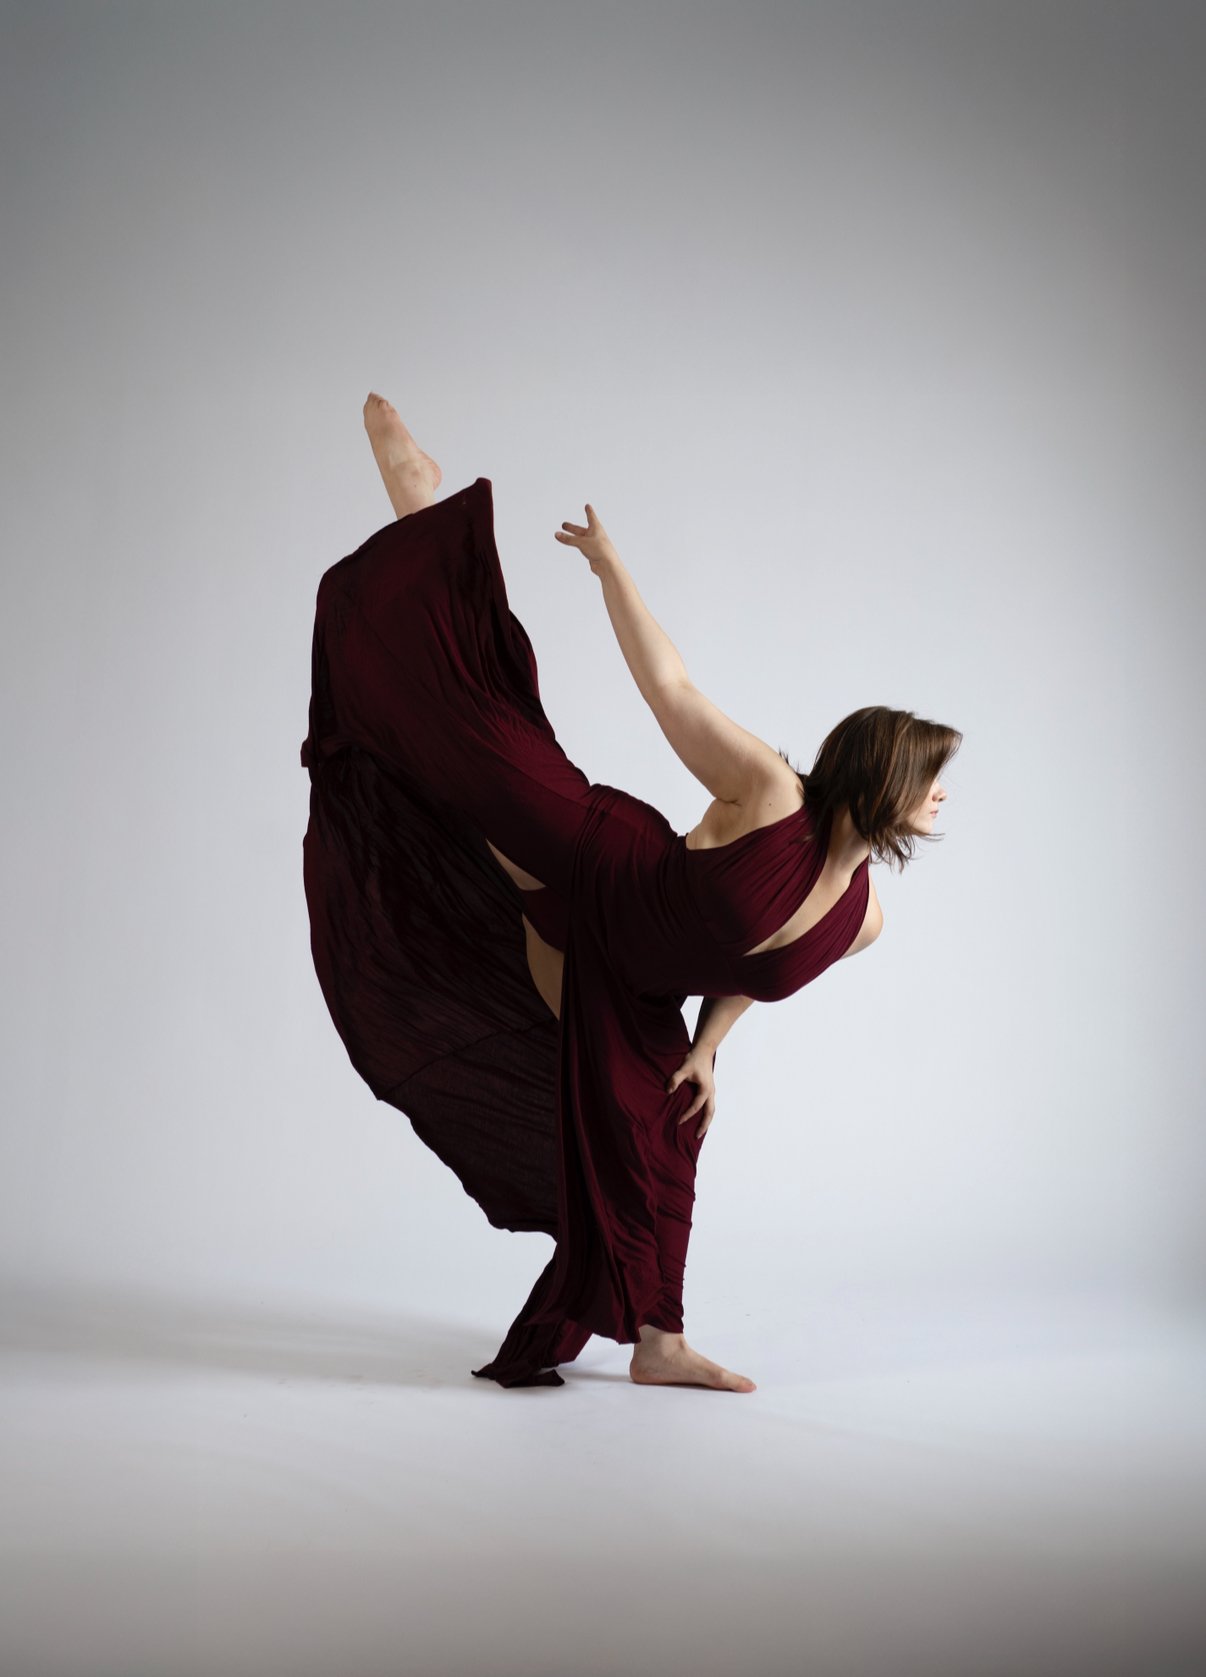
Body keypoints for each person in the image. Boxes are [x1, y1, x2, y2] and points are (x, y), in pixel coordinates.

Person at [299, 393, 960, 1393]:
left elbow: (747, 970)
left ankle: (660, 1341)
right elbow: (673, 690)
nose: (942, 795)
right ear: (879, 775)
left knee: (674, 1131)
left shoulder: (862, 921)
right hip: (597, 857)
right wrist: (614, 571)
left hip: (624, 981)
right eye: (930, 775)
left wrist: (706, 1049)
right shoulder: (774, 793)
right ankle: (417, 506)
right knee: (478, 735)